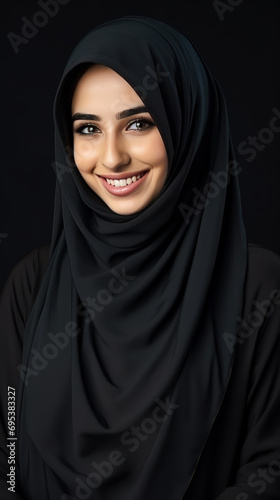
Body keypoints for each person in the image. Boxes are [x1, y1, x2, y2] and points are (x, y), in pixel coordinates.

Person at [0, 15, 280, 500]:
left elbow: (270, 469)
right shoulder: (33, 285)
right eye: (88, 128)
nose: (111, 157)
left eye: (138, 123)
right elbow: (5, 453)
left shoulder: (258, 288)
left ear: (189, 123)